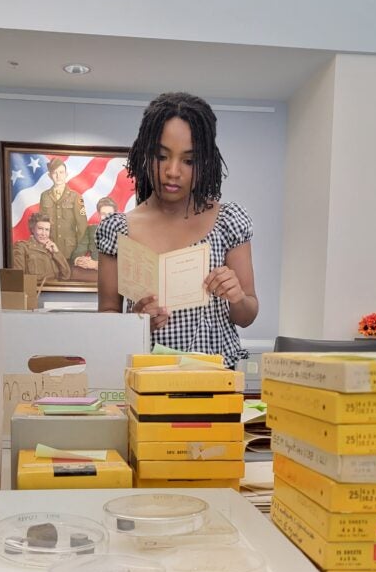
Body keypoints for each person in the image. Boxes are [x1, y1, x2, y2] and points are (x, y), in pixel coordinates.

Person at [96, 92, 258, 368]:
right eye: (162, 156)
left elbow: (246, 315)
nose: (173, 171)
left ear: (205, 161)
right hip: (148, 384)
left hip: (216, 385)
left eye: (189, 160)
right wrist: (137, 322)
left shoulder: (227, 221)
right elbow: (107, 322)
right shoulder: (118, 230)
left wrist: (237, 296)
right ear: (146, 154)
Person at [39, 157, 88, 260]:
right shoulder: (44, 196)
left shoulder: (76, 197)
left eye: (61, 172)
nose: (58, 176)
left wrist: (79, 252)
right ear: (49, 176)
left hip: (70, 250)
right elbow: (41, 223)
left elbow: (82, 227)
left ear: (66, 174)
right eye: (55, 173)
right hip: (49, 249)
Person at [12, 212, 71, 281]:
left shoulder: (52, 249)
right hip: (36, 290)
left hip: (55, 289)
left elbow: (66, 275)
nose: (44, 233)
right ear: (32, 229)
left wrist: (56, 253)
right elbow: (18, 278)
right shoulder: (22, 247)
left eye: (47, 230)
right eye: (40, 229)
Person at [71, 196, 118, 270]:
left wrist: (97, 265)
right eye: (103, 214)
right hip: (93, 274)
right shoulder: (91, 229)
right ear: (99, 214)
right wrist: (79, 260)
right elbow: (78, 252)